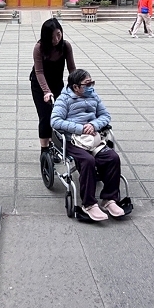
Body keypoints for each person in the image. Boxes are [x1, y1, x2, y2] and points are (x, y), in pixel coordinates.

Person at [51, 69, 124, 221]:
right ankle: (89, 204)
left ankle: (109, 199)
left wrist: (93, 124)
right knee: (88, 161)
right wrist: (80, 128)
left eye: (92, 82)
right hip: (73, 140)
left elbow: (105, 116)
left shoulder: (93, 96)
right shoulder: (63, 100)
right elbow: (55, 121)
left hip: (93, 138)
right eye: (87, 84)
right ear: (76, 87)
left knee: (113, 158)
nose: (91, 86)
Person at [30, 18, 76, 156]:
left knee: (59, 115)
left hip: (57, 84)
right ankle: (44, 150)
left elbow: (72, 68)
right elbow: (39, 72)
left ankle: (56, 145)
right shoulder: (39, 48)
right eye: (52, 37)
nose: (56, 39)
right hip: (40, 85)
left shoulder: (65, 46)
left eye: (58, 34)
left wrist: (76, 86)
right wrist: (46, 91)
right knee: (45, 116)